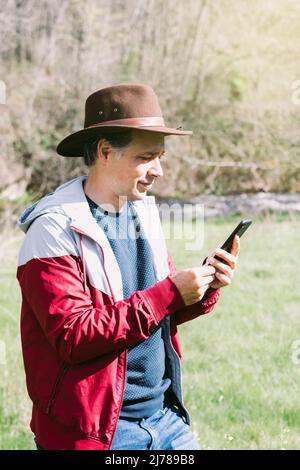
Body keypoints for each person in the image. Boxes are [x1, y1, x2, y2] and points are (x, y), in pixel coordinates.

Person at [16, 83, 239, 450]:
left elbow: (152, 314)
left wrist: (202, 287)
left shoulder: (142, 212)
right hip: (98, 432)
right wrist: (170, 292)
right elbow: (75, 337)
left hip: (164, 418)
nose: (159, 171)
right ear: (105, 151)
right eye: (147, 156)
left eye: (160, 156)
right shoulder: (53, 230)